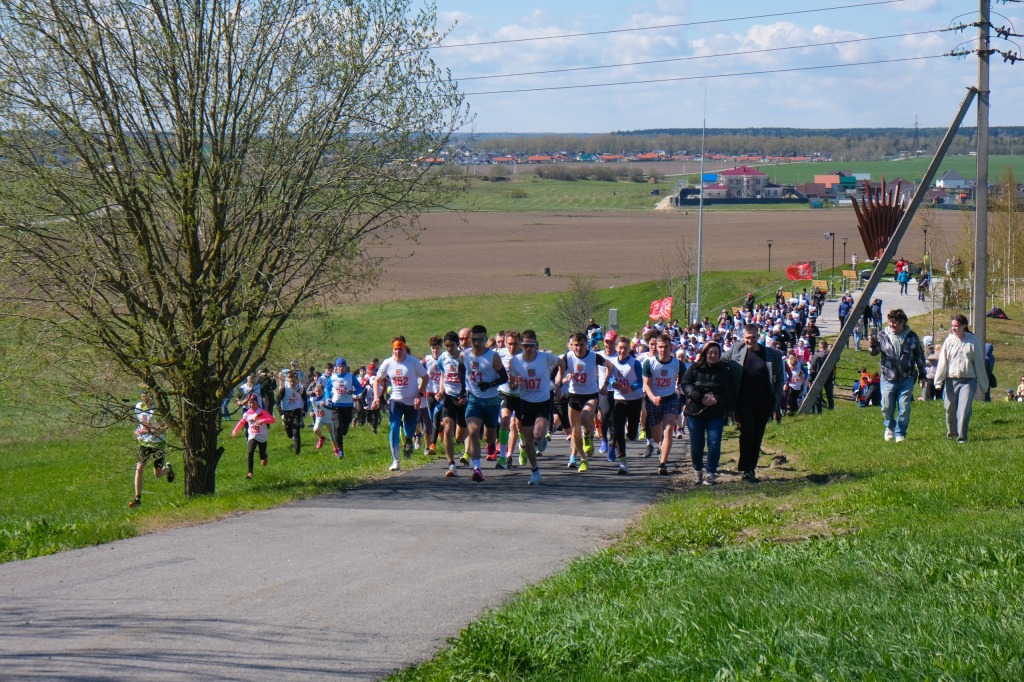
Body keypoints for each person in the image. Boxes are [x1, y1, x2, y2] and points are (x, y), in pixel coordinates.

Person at [724, 324, 784, 482]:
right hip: (743, 402)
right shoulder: (736, 351)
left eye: (752, 337)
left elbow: (779, 380)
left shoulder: (771, 355)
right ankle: (746, 468)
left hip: (764, 402)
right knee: (747, 431)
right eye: (747, 338)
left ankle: (752, 467)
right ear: (743, 338)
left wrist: (775, 399)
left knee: (757, 435)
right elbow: (719, 362)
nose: (749, 340)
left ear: (759, 337)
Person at [508, 329, 560, 485]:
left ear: (536, 345)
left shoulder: (546, 358)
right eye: (525, 345)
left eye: (531, 345)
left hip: (543, 402)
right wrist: (515, 382)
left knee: (537, 435)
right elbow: (511, 387)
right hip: (525, 403)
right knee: (529, 441)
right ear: (522, 345)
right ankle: (535, 471)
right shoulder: (515, 361)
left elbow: (562, 363)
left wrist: (558, 384)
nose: (528, 348)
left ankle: (542, 438)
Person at [868, 308, 926, 443]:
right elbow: (874, 352)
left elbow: (920, 356)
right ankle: (890, 426)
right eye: (890, 322)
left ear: (902, 322)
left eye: (894, 322)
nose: (891, 325)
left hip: (907, 377)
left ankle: (900, 433)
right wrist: (873, 344)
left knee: (904, 407)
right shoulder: (883, 335)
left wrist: (922, 374)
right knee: (886, 406)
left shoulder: (912, 337)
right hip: (888, 376)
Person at [459, 325, 508, 482]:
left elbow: (504, 378)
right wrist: (462, 390)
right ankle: (477, 468)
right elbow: (461, 371)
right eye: (474, 339)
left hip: (492, 401)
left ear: (486, 340)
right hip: (474, 400)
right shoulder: (464, 355)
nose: (477, 342)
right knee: (473, 431)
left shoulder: (492, 357)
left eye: (480, 339)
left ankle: (492, 444)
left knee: (489, 436)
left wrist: (489, 384)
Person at [680, 342, 734, 485]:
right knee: (697, 444)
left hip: (715, 413)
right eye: (710, 353)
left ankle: (711, 472)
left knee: (714, 443)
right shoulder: (694, 367)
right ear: (705, 353)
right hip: (695, 413)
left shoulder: (724, 371)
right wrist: (699, 397)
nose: (713, 356)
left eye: (716, 353)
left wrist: (716, 399)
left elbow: (729, 391)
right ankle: (697, 470)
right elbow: (685, 383)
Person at [556, 331, 609, 473]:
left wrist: (605, 384)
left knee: (585, 416)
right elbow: (558, 378)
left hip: (591, 394)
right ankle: (583, 459)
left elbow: (609, 366)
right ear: (571, 345)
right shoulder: (567, 357)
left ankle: (588, 436)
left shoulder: (594, 357)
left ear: (587, 345)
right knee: (575, 431)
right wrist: (563, 381)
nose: (578, 348)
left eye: (581, 345)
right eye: (575, 345)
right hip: (574, 396)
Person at [372, 337, 428, 471]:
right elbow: (376, 381)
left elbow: (425, 378)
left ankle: (409, 440)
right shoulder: (388, 363)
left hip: (412, 402)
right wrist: (376, 397)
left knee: (408, 429)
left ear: (405, 349)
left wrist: (420, 395)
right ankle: (395, 461)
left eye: (400, 349)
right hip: (396, 401)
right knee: (394, 427)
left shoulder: (413, 362)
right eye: (395, 349)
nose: (398, 352)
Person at [934, 314, 989, 443]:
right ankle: (952, 433)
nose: (954, 328)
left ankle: (962, 436)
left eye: (957, 326)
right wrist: (938, 381)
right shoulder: (949, 341)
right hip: (950, 380)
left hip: (968, 381)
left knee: (964, 410)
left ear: (964, 326)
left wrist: (983, 385)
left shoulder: (973, 341)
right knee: (950, 410)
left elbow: (979, 364)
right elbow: (943, 362)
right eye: (952, 326)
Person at [602, 335, 644, 475]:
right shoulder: (612, 362)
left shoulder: (634, 363)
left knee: (631, 434)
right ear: (616, 348)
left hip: (635, 400)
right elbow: (611, 377)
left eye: (625, 348)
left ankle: (624, 436)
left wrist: (631, 388)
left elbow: (641, 382)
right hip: (619, 399)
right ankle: (623, 462)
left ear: (629, 349)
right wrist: (613, 383)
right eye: (620, 348)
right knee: (618, 427)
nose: (622, 351)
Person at [641, 333, 683, 476]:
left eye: (665, 347)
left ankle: (663, 464)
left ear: (671, 347)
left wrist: (680, 388)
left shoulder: (677, 364)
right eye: (660, 347)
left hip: (670, 399)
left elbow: (684, 380)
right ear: (656, 347)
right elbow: (646, 385)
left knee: (669, 429)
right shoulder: (649, 363)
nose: (662, 350)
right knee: (658, 436)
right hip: (653, 402)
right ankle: (660, 445)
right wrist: (653, 397)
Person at [129, 390, 174, 507]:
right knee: (139, 469)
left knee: (157, 474)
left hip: (158, 443)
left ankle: (168, 469)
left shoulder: (158, 409)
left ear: (153, 397)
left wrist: (152, 431)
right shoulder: (138, 407)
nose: (145, 400)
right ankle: (137, 498)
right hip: (144, 442)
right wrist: (137, 433)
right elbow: (140, 423)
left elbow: (164, 428)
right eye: (143, 397)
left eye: (147, 397)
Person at [437, 331, 468, 477]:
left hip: (463, 398)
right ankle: (451, 464)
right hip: (449, 398)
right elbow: (443, 373)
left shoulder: (465, 358)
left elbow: (471, 378)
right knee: (447, 429)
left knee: (460, 437)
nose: (449, 349)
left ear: (458, 345)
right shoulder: (443, 357)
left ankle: (464, 440)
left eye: (452, 346)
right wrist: (441, 390)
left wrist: (467, 395)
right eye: (447, 346)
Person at [232, 393, 275, 479]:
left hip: (262, 436)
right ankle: (250, 473)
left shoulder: (261, 412)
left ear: (257, 403)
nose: (251, 405)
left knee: (261, 454)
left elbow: (272, 420)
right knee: (250, 452)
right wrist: (235, 430)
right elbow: (242, 421)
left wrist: (263, 420)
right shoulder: (247, 414)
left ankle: (264, 457)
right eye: (250, 403)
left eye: (253, 403)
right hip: (252, 435)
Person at [326, 358, 357, 458]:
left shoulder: (350, 377)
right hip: (336, 407)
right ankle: (340, 451)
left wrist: (354, 393)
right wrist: (327, 398)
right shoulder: (332, 378)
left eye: (342, 366)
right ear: (336, 367)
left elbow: (359, 387)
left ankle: (345, 428)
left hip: (348, 406)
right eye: (339, 366)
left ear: (345, 367)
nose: (340, 368)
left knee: (344, 428)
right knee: (338, 426)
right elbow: (327, 388)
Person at [275, 370, 306, 454]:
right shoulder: (284, 389)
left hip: (297, 411)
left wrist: (304, 411)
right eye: (290, 380)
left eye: (294, 380)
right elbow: (277, 401)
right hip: (287, 412)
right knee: (289, 434)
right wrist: (281, 414)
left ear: (297, 380)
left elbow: (305, 399)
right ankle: (290, 435)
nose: (292, 382)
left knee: (296, 432)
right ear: (288, 380)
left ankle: (297, 452)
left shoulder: (301, 388)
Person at [808, 340, 835, 412]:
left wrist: (810, 380)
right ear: (826, 346)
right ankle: (831, 409)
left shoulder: (816, 355)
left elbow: (812, 368)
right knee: (829, 395)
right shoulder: (830, 355)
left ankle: (819, 412)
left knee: (818, 396)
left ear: (820, 346)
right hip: (828, 377)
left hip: (818, 377)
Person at [308, 382, 333, 451]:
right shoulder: (313, 399)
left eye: (319, 391)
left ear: (323, 391)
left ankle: (336, 449)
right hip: (320, 418)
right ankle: (322, 438)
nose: (318, 393)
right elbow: (308, 402)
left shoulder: (327, 398)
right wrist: (311, 411)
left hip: (329, 419)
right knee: (315, 430)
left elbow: (332, 407)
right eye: (316, 391)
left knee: (332, 436)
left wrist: (325, 406)